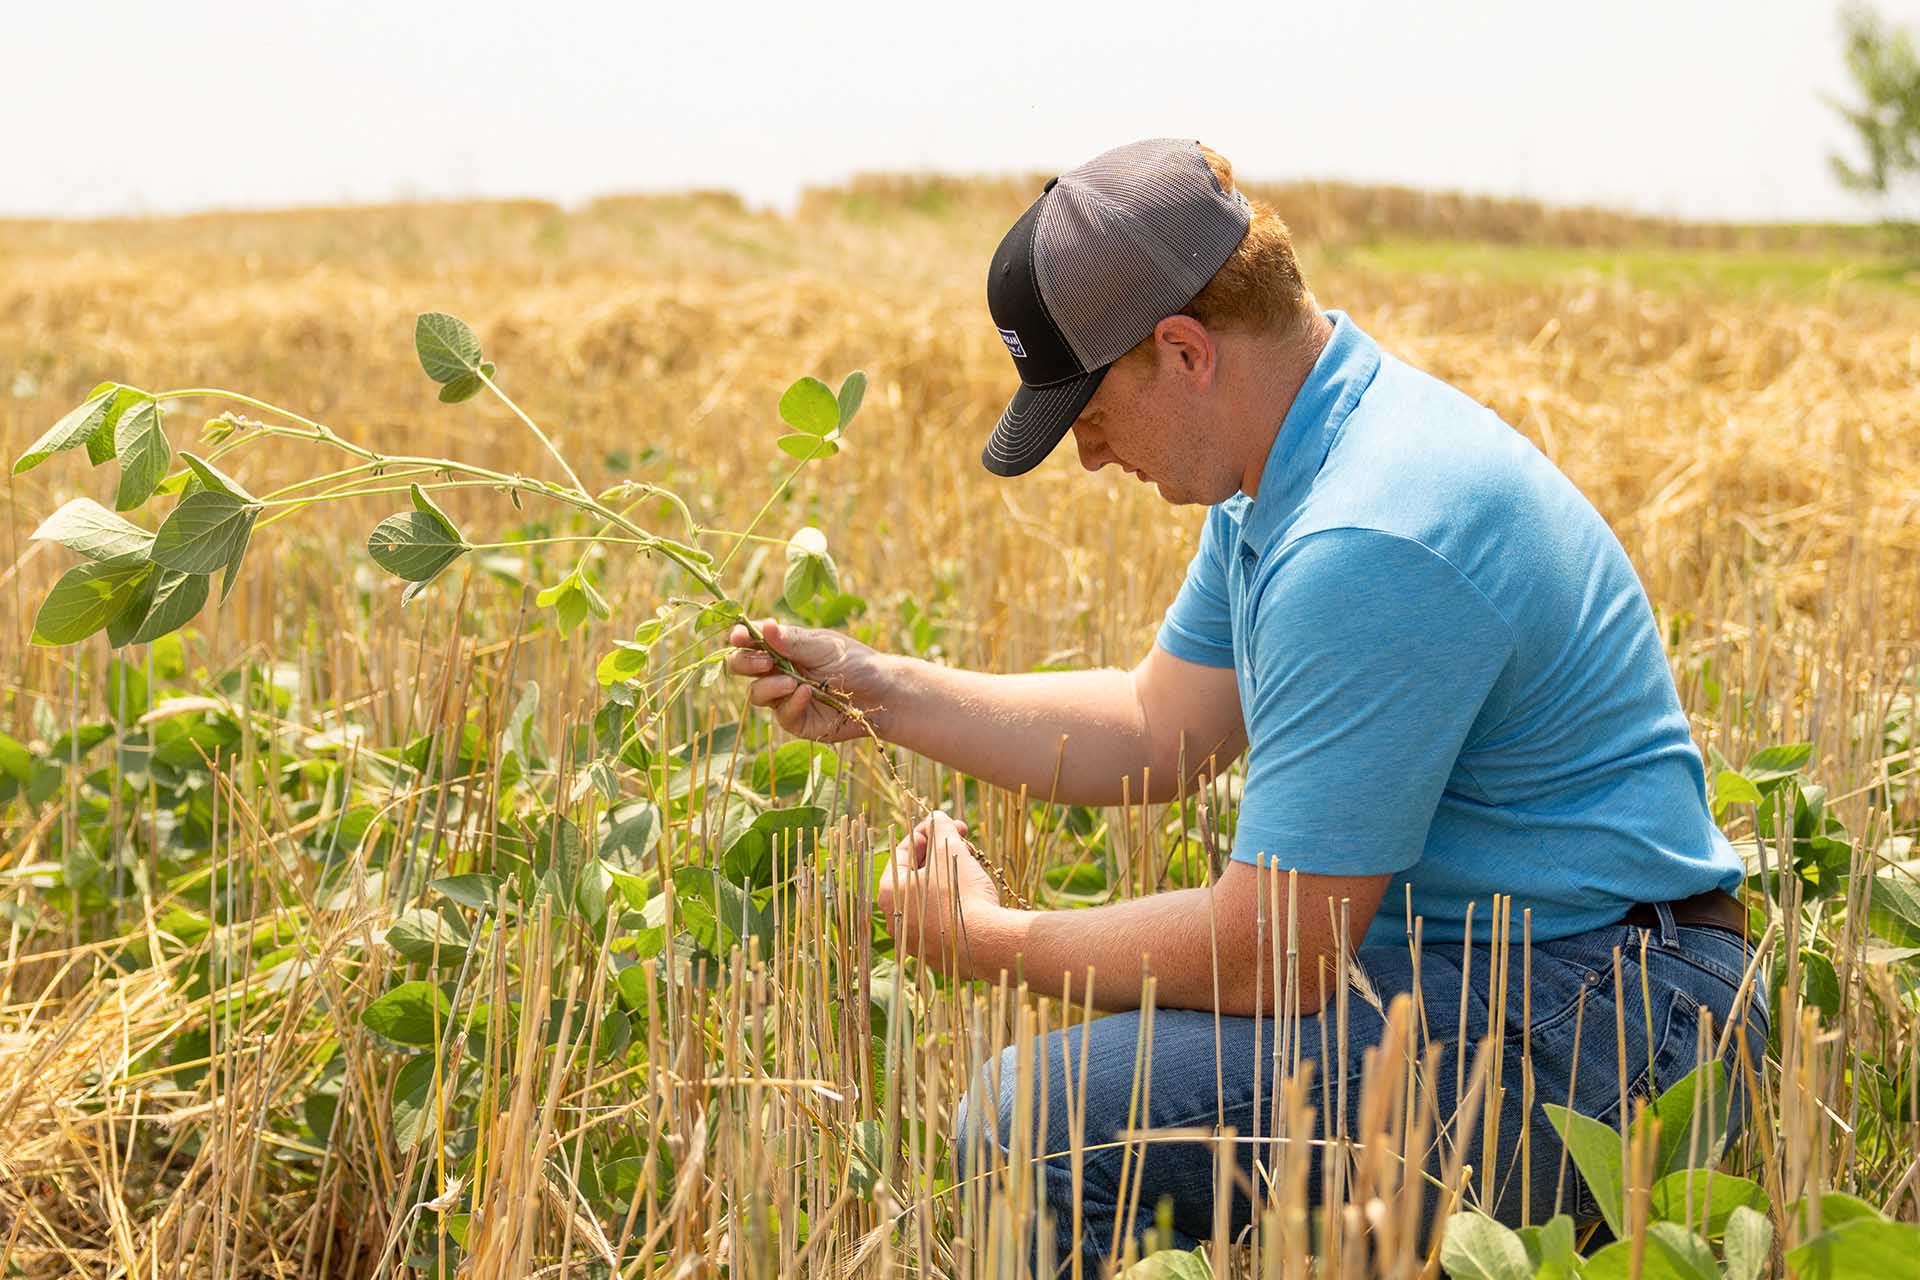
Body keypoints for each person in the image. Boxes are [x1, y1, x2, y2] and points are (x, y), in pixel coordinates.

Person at [725, 138, 1764, 1273]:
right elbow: (1154, 727)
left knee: (1032, 1125)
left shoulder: (1365, 534)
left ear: (1183, 350)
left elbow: (1278, 954)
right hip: (1532, 974)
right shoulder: (1297, 463)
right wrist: (884, 689)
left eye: (1087, 404)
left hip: (1621, 1019)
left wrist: (986, 940)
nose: (1084, 452)